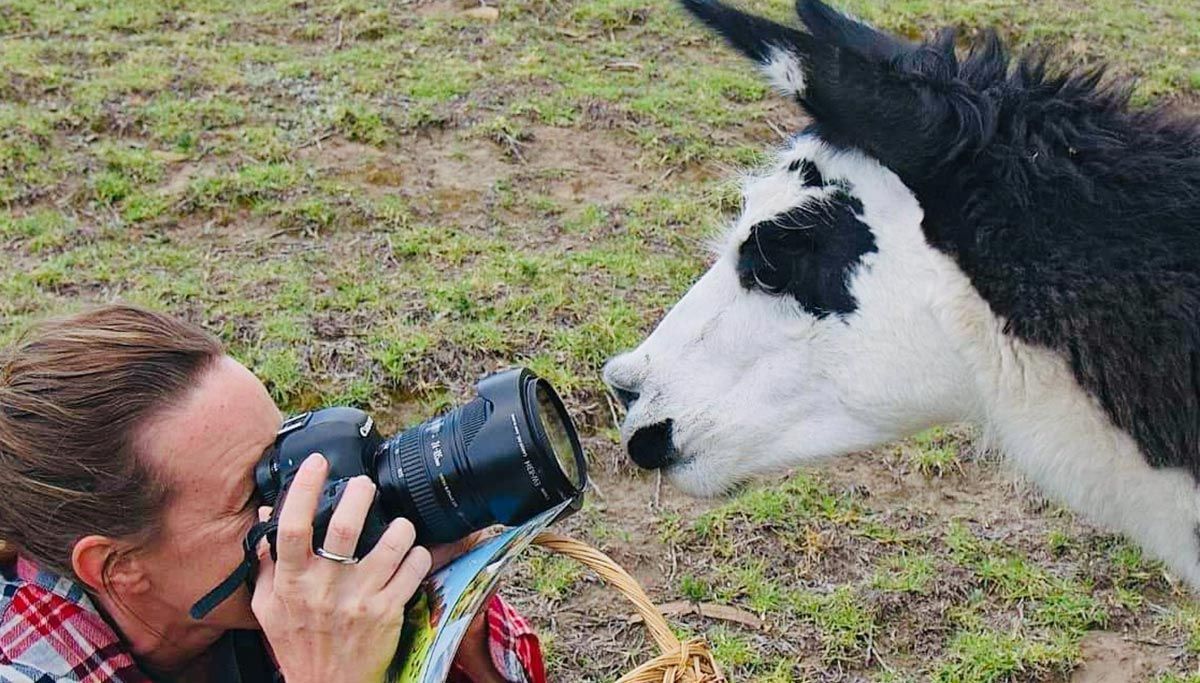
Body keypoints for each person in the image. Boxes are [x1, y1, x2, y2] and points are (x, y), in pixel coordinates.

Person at [0, 304, 546, 683]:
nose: (305, 506)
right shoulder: (29, 666)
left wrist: (451, 629)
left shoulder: (257, 597)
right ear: (118, 569)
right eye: (254, 493)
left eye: (283, 456)